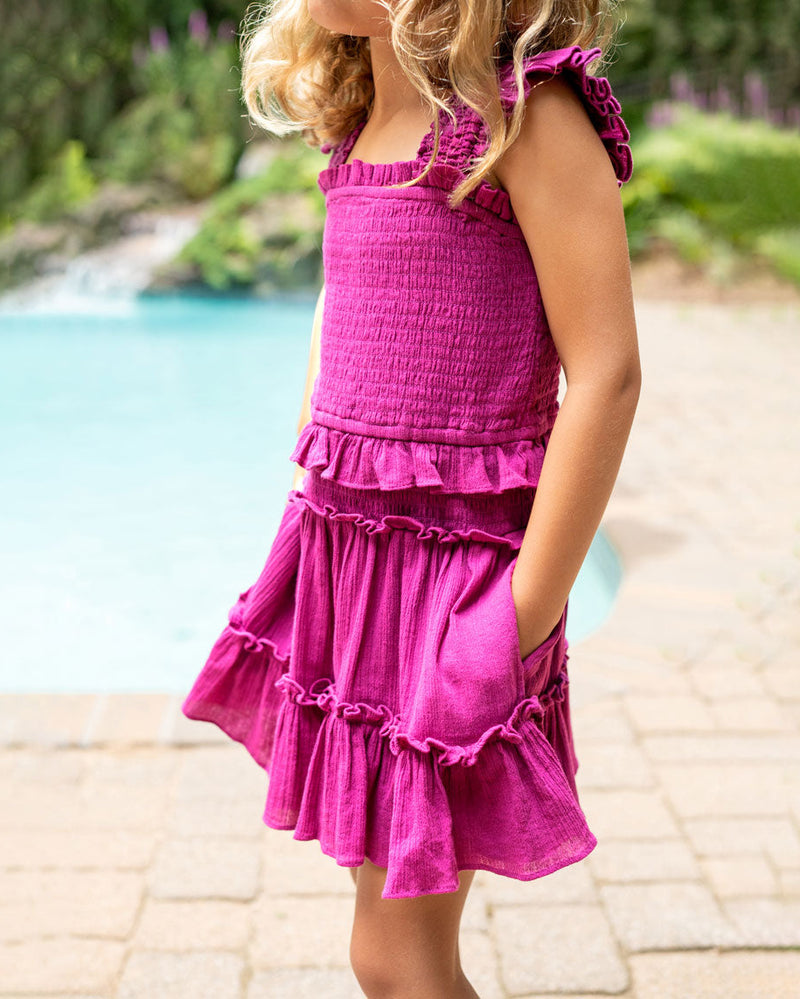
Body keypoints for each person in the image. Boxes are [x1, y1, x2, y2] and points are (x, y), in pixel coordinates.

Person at [182, 1, 641, 995]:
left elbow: (604, 373)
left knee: (393, 956)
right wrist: (311, 486)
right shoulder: (355, 119)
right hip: (351, 568)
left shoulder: (522, 115)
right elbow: (339, 299)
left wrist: (523, 615)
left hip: (458, 582)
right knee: (391, 950)